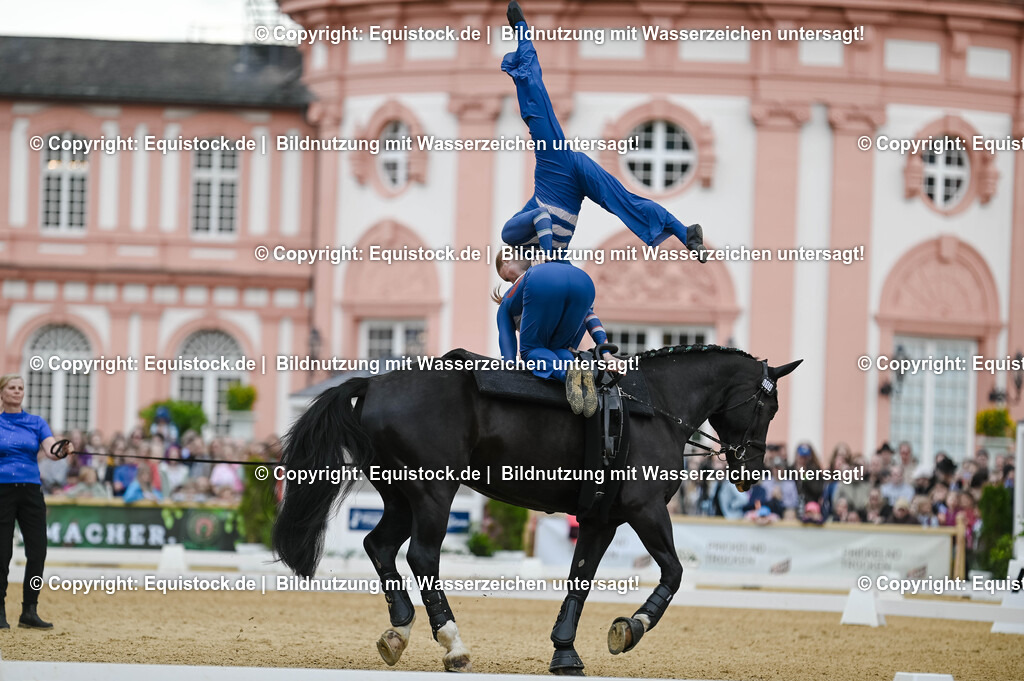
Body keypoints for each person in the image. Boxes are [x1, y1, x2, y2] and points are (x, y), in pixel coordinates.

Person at [500, 2, 707, 260]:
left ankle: (521, 31)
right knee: (621, 200)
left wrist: (547, 256)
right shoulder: (547, 257)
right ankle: (683, 232)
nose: (511, 280)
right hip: (576, 183)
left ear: (507, 259)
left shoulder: (512, 237)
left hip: (556, 167)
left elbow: (541, 215)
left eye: (507, 277)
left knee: (536, 107)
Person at [493, 254, 614, 417]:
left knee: (530, 350)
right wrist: (605, 351)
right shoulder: (548, 264)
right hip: (584, 281)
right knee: (561, 351)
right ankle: (576, 372)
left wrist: (509, 368)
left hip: (543, 280)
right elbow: (589, 317)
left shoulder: (506, 305)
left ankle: (567, 375)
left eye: (507, 278)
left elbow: (508, 352)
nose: (510, 281)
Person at [0, 374, 72, 629]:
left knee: (38, 551)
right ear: (2, 392)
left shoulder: (36, 422)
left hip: (31, 492)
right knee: (2, 553)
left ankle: (29, 610)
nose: (17, 391)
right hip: (2, 492)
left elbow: (51, 450)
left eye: (21, 388)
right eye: (12, 387)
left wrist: (63, 449)